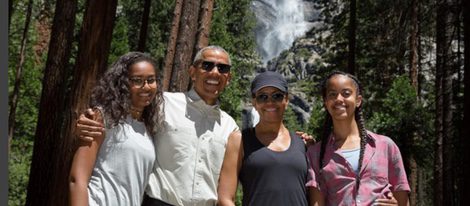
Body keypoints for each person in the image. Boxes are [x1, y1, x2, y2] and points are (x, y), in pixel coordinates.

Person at [75, 45, 239, 206]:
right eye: (207, 65)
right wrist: (86, 120)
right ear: (192, 72)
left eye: (223, 68)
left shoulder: (230, 127)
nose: (215, 72)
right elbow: (120, 106)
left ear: (228, 78)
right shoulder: (161, 104)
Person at [69, 52, 164, 206]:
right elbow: (77, 179)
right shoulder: (103, 117)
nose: (146, 86)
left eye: (151, 80)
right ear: (123, 84)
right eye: (137, 80)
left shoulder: (148, 128)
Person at [306, 71, 410, 206]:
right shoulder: (315, 154)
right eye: (332, 94)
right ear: (326, 103)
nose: (339, 99)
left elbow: (403, 200)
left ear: (358, 100)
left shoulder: (385, 146)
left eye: (346, 93)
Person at [217, 71, 309, 206]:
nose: (270, 102)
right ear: (254, 102)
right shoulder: (239, 140)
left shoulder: (302, 143)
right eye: (262, 97)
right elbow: (225, 198)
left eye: (277, 96)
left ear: (287, 100)